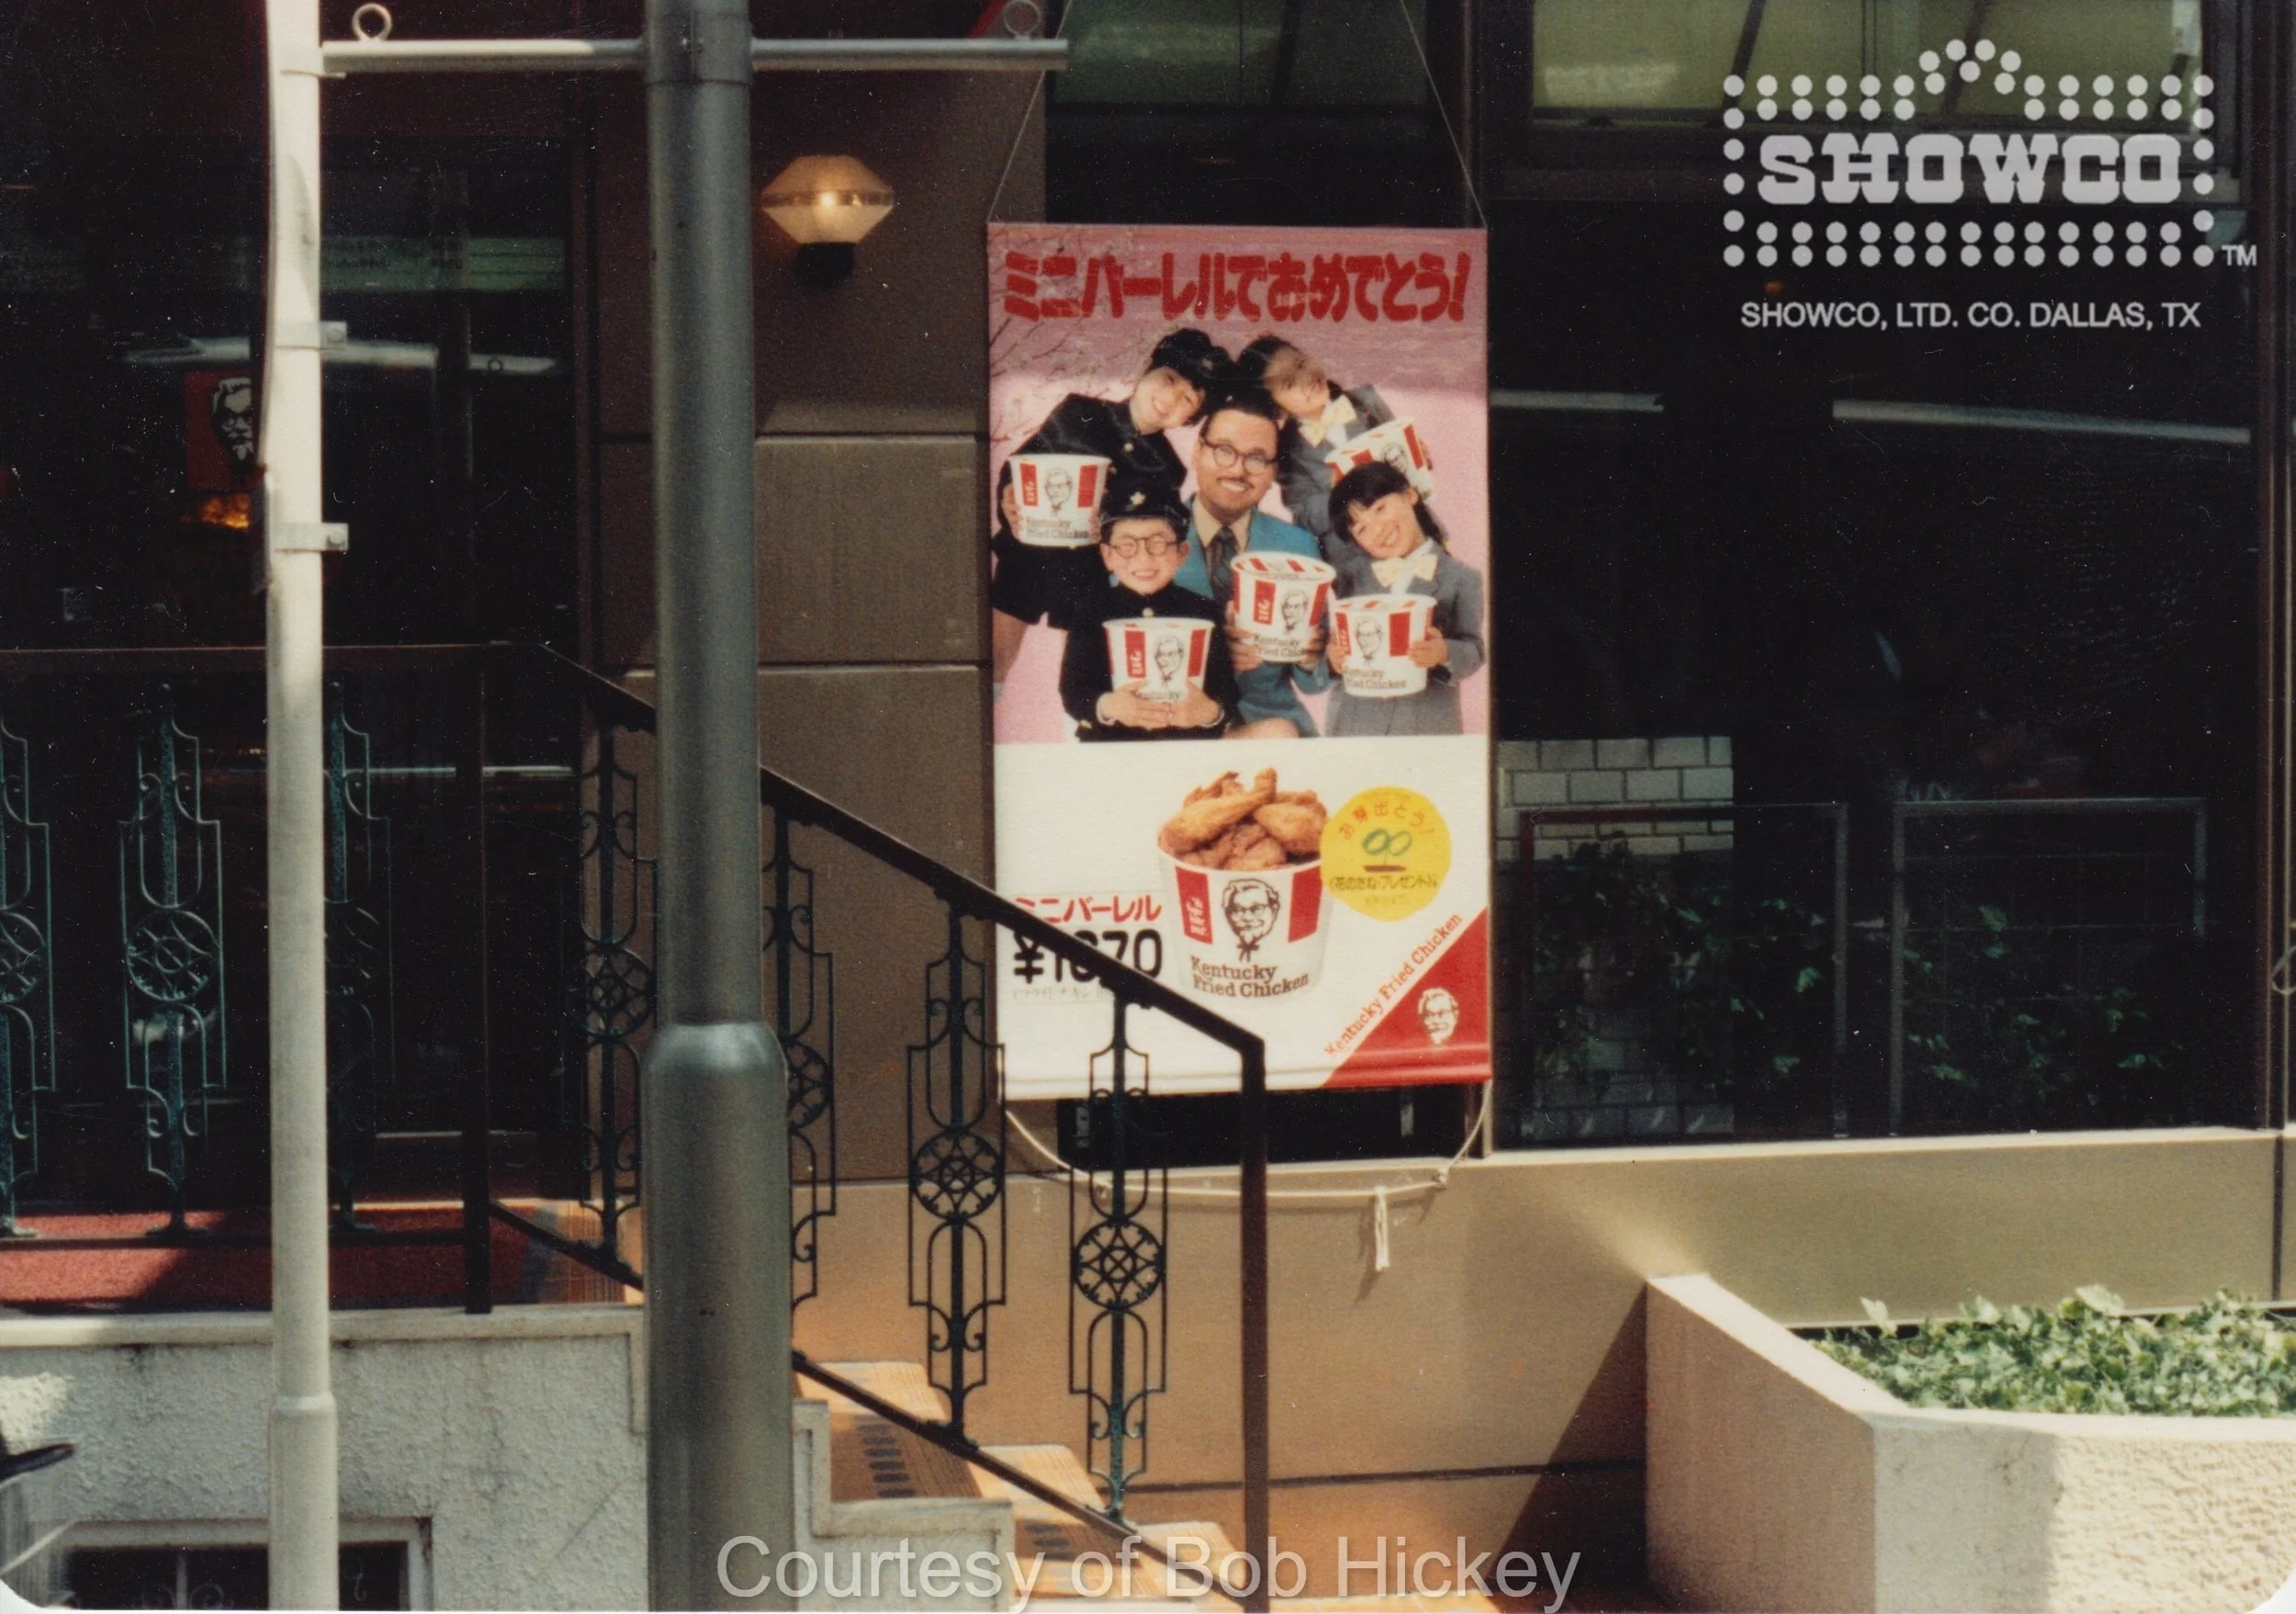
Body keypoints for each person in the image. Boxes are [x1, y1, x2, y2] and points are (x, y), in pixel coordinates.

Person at [992, 328, 1231, 686]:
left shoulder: (1168, 468)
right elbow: (1022, 464)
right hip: (1027, 555)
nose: (1171, 399)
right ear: (1148, 370)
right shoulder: (1079, 412)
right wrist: (1010, 498)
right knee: (996, 656)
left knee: (1081, 673)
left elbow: (1159, 527)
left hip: (1087, 574)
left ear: (1189, 419)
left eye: (1187, 400)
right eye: (1169, 380)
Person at [1170, 388, 1332, 738]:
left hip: (1271, 727)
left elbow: (1314, 682)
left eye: (1257, 458)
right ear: (1197, 452)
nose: (1239, 469)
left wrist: (1310, 657)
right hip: (1172, 727)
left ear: (1273, 472)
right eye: (1224, 451)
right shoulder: (1151, 539)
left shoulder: (1298, 546)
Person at [1059, 483, 1239, 741]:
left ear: (1182, 552)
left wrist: (1209, 712)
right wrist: (1110, 706)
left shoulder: (1203, 612)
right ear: (1107, 555)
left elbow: (1226, 690)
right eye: (1127, 545)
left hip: (1186, 746)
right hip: (1113, 746)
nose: (1143, 558)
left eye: (1158, 543)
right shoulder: (1092, 611)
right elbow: (1074, 691)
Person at [1323, 461, 1484, 738]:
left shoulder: (1462, 578)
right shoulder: (1349, 576)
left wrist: (1443, 652)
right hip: (1354, 724)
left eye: (1380, 509)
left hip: (1424, 725)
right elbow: (1330, 638)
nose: (1377, 530)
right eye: (1361, 529)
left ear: (1409, 495)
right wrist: (1332, 658)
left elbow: (1475, 649)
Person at [1237, 334, 1404, 563]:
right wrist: (1342, 493)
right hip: (1357, 561)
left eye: (1301, 364)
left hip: (1407, 535)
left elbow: (1409, 475)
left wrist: (1414, 456)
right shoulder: (1289, 451)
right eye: (1289, 383)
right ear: (1276, 407)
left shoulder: (1365, 400)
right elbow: (1305, 517)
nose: (1305, 378)